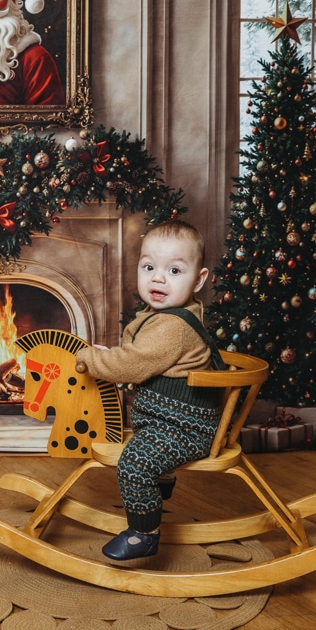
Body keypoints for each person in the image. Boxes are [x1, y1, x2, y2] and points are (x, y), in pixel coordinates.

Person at [74, 220, 225, 561]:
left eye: (174, 270)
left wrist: (90, 359)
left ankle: (143, 534)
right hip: (164, 422)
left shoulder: (172, 326)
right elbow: (142, 358)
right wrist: (112, 357)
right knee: (142, 449)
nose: (158, 278)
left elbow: (133, 364)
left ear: (198, 280)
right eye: (149, 267)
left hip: (184, 428)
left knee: (134, 464)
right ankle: (161, 481)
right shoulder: (161, 316)